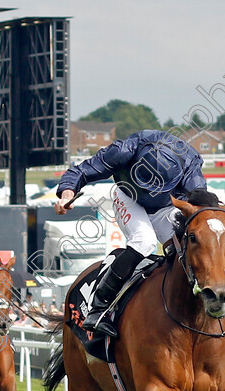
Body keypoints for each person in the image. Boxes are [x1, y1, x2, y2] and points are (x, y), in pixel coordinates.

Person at [54, 129, 208, 337]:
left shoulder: (190, 165)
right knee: (144, 241)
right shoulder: (124, 150)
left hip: (167, 205)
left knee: (183, 246)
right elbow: (83, 170)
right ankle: (99, 308)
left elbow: (201, 203)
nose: (150, 193)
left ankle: (211, 303)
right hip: (129, 197)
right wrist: (67, 193)